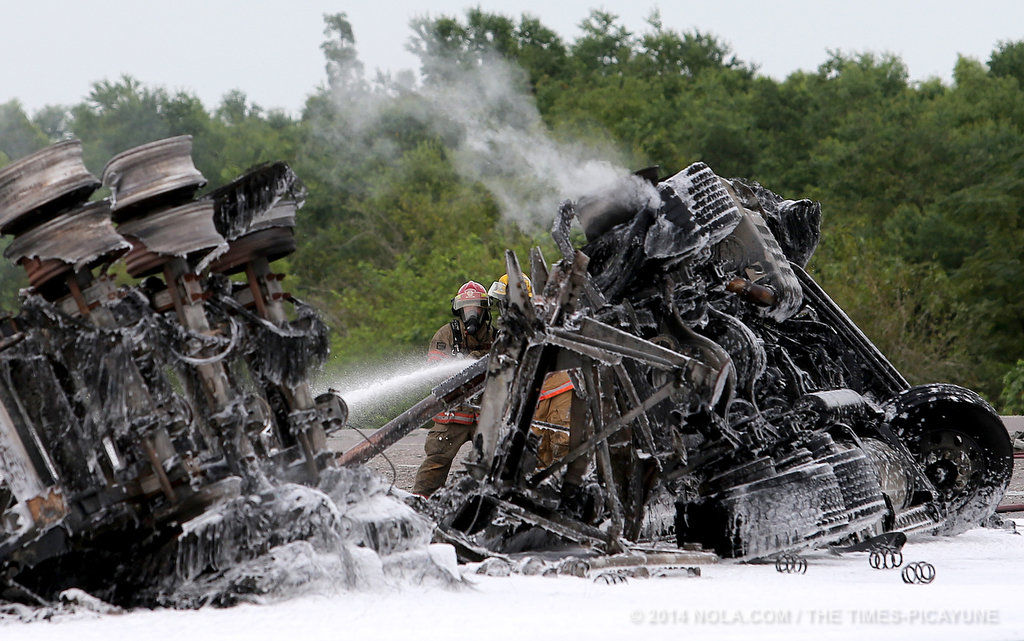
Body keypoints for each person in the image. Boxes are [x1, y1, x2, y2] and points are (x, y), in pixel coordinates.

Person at [412, 281, 495, 497]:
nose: (471, 314)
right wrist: (469, 363)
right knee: (436, 462)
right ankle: (420, 503)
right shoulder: (447, 335)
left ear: (484, 310)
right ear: (458, 309)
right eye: (466, 309)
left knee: (496, 465)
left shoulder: (497, 335)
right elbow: (435, 371)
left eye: (475, 308)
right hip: (453, 415)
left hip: (486, 416)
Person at [488, 272, 575, 469]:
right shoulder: (509, 329)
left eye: (503, 301)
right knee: (536, 452)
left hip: (559, 389)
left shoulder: (538, 318)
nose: (501, 308)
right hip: (534, 396)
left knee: (562, 443)